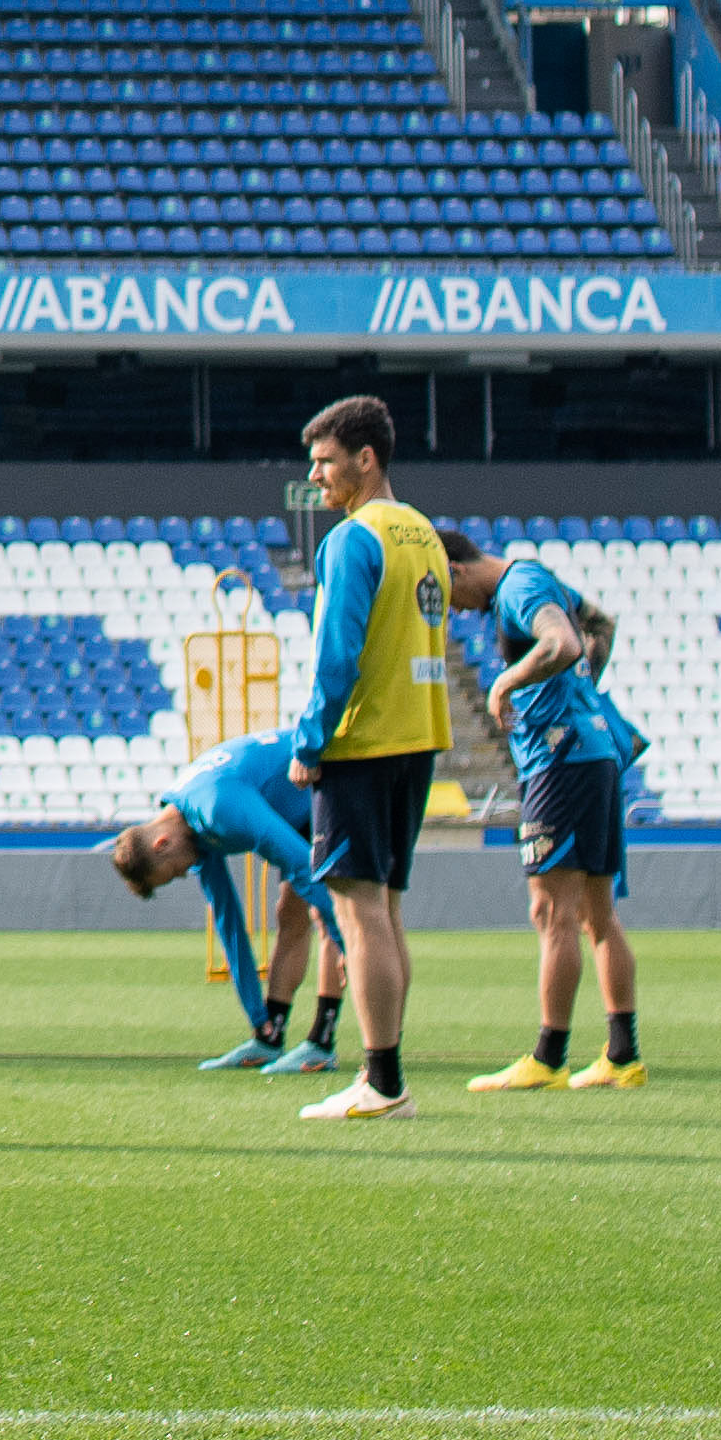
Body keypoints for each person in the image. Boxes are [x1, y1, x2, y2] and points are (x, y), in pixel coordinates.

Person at [281, 395, 456, 1124]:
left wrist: (309, 740)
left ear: (365, 457)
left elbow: (336, 654)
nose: (315, 478)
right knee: (383, 911)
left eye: (324, 461)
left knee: (359, 915)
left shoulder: (354, 539)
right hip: (417, 737)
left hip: (361, 741)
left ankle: (381, 1082)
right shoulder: (425, 532)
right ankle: (382, 1070)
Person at [455, 539, 648, 1095]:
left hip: (560, 760)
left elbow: (562, 642)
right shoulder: (537, 581)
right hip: (593, 751)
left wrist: (506, 681)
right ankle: (621, 1054)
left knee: (551, 910)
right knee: (596, 913)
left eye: (452, 593)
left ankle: (548, 1056)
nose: (459, 608)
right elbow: (599, 625)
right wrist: (580, 689)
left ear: (458, 569)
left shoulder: (517, 587)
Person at [103, 734, 352, 1069]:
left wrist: (349, 943)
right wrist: (255, 1012)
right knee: (290, 915)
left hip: (330, 784)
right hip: (299, 808)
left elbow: (298, 865)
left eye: (175, 872)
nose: (185, 872)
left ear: (162, 844)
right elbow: (228, 922)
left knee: (325, 914)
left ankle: (322, 1042)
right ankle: (268, 1036)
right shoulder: (188, 825)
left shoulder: (217, 806)